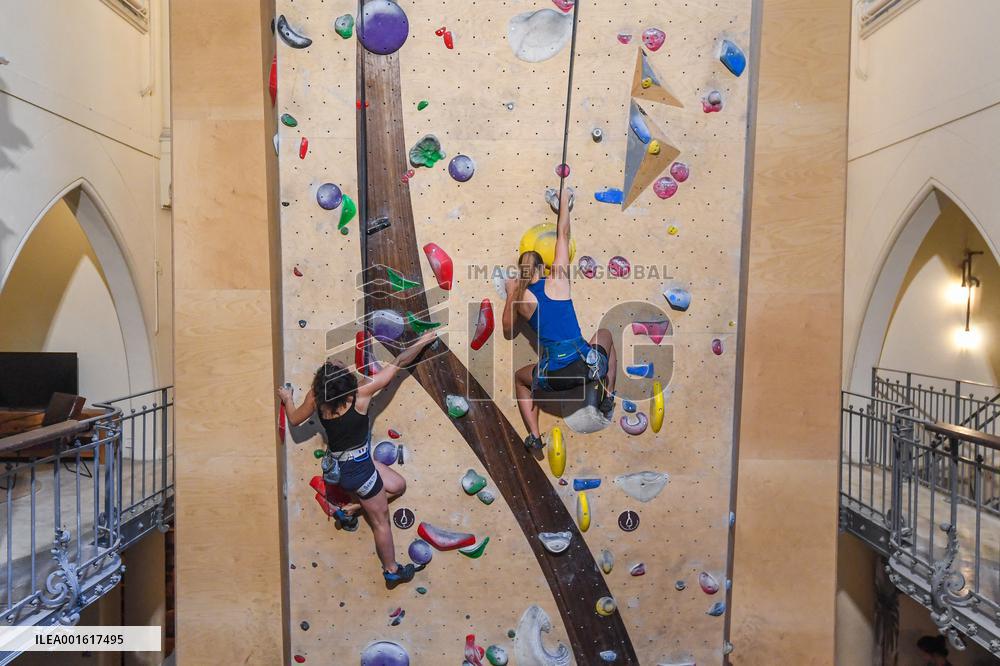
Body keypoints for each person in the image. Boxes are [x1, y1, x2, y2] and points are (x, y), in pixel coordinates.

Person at [278, 331, 437, 587]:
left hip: (345, 467)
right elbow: (398, 363)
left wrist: (287, 399)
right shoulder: (360, 396)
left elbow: (295, 419)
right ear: (346, 383)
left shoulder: (317, 399)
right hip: (360, 475)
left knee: (397, 486)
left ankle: (350, 509)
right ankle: (391, 569)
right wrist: (421, 342)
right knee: (381, 522)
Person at [502, 183, 618, 450]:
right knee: (606, 336)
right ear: (544, 268)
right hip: (588, 368)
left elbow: (508, 329)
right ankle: (607, 394)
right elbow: (563, 234)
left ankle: (534, 435)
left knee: (521, 379)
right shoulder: (558, 280)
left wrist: (510, 293)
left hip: (556, 378)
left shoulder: (520, 299)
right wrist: (564, 201)